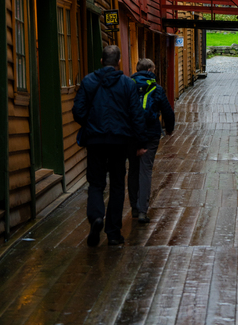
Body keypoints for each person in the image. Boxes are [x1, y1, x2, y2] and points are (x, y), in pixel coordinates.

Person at [72, 45, 148, 247]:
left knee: (96, 183)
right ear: (119, 62)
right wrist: (140, 142)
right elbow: (136, 115)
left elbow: (78, 111)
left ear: (101, 61)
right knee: (116, 184)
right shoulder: (127, 84)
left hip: (95, 141)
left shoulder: (88, 81)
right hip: (119, 141)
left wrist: (91, 124)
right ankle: (113, 233)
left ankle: (96, 217)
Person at [128, 58, 175, 223]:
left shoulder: (128, 86)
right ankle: (142, 211)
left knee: (133, 169)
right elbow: (168, 111)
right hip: (151, 134)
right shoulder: (157, 88)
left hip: (131, 134)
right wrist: (169, 128)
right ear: (149, 71)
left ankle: (134, 207)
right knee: (145, 171)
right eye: (153, 70)